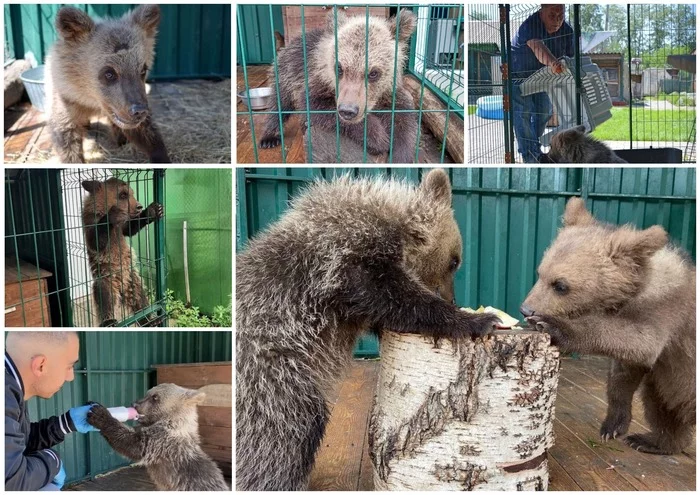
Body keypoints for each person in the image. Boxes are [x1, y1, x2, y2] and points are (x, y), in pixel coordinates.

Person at [5, 332, 97, 491]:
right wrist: (52, 461)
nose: (71, 377)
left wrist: (67, 423)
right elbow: (12, 482)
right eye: (69, 366)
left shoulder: (11, 387)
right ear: (40, 365)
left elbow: (18, 440)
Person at [510, 4, 574, 162]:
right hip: (518, 75)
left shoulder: (567, 30)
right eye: (552, 15)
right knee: (523, 112)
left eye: (561, 16)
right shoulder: (530, 24)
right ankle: (530, 154)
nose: (557, 21)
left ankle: (532, 145)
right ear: (541, 12)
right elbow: (538, 48)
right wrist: (554, 63)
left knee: (544, 111)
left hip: (542, 78)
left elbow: (570, 58)